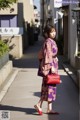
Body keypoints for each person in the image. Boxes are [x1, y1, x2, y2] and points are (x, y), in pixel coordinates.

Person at [34, 25, 59, 115]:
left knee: (49, 88)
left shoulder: (51, 41)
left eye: (54, 31)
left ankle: (49, 108)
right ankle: (39, 104)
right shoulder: (48, 42)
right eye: (52, 32)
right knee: (48, 88)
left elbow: (51, 55)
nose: (54, 33)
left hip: (51, 66)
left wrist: (55, 58)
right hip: (49, 68)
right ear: (47, 33)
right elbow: (48, 55)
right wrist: (51, 65)